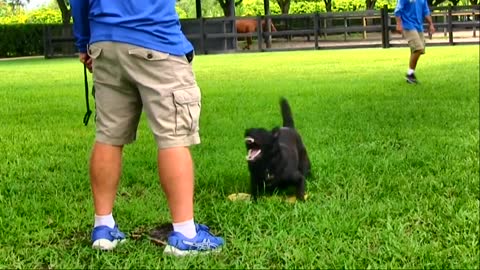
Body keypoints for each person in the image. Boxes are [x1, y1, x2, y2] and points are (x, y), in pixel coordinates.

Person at [70, 0, 224, 255]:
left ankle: (103, 228)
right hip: (155, 37)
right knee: (173, 136)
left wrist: (84, 43)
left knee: (108, 135)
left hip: (104, 44)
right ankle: (186, 234)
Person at [394, 0, 435, 84]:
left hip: (418, 27)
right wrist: (398, 23)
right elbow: (398, 10)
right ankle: (410, 74)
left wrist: (431, 24)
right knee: (418, 48)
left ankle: (410, 75)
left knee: (420, 50)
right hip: (408, 25)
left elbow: (426, 11)